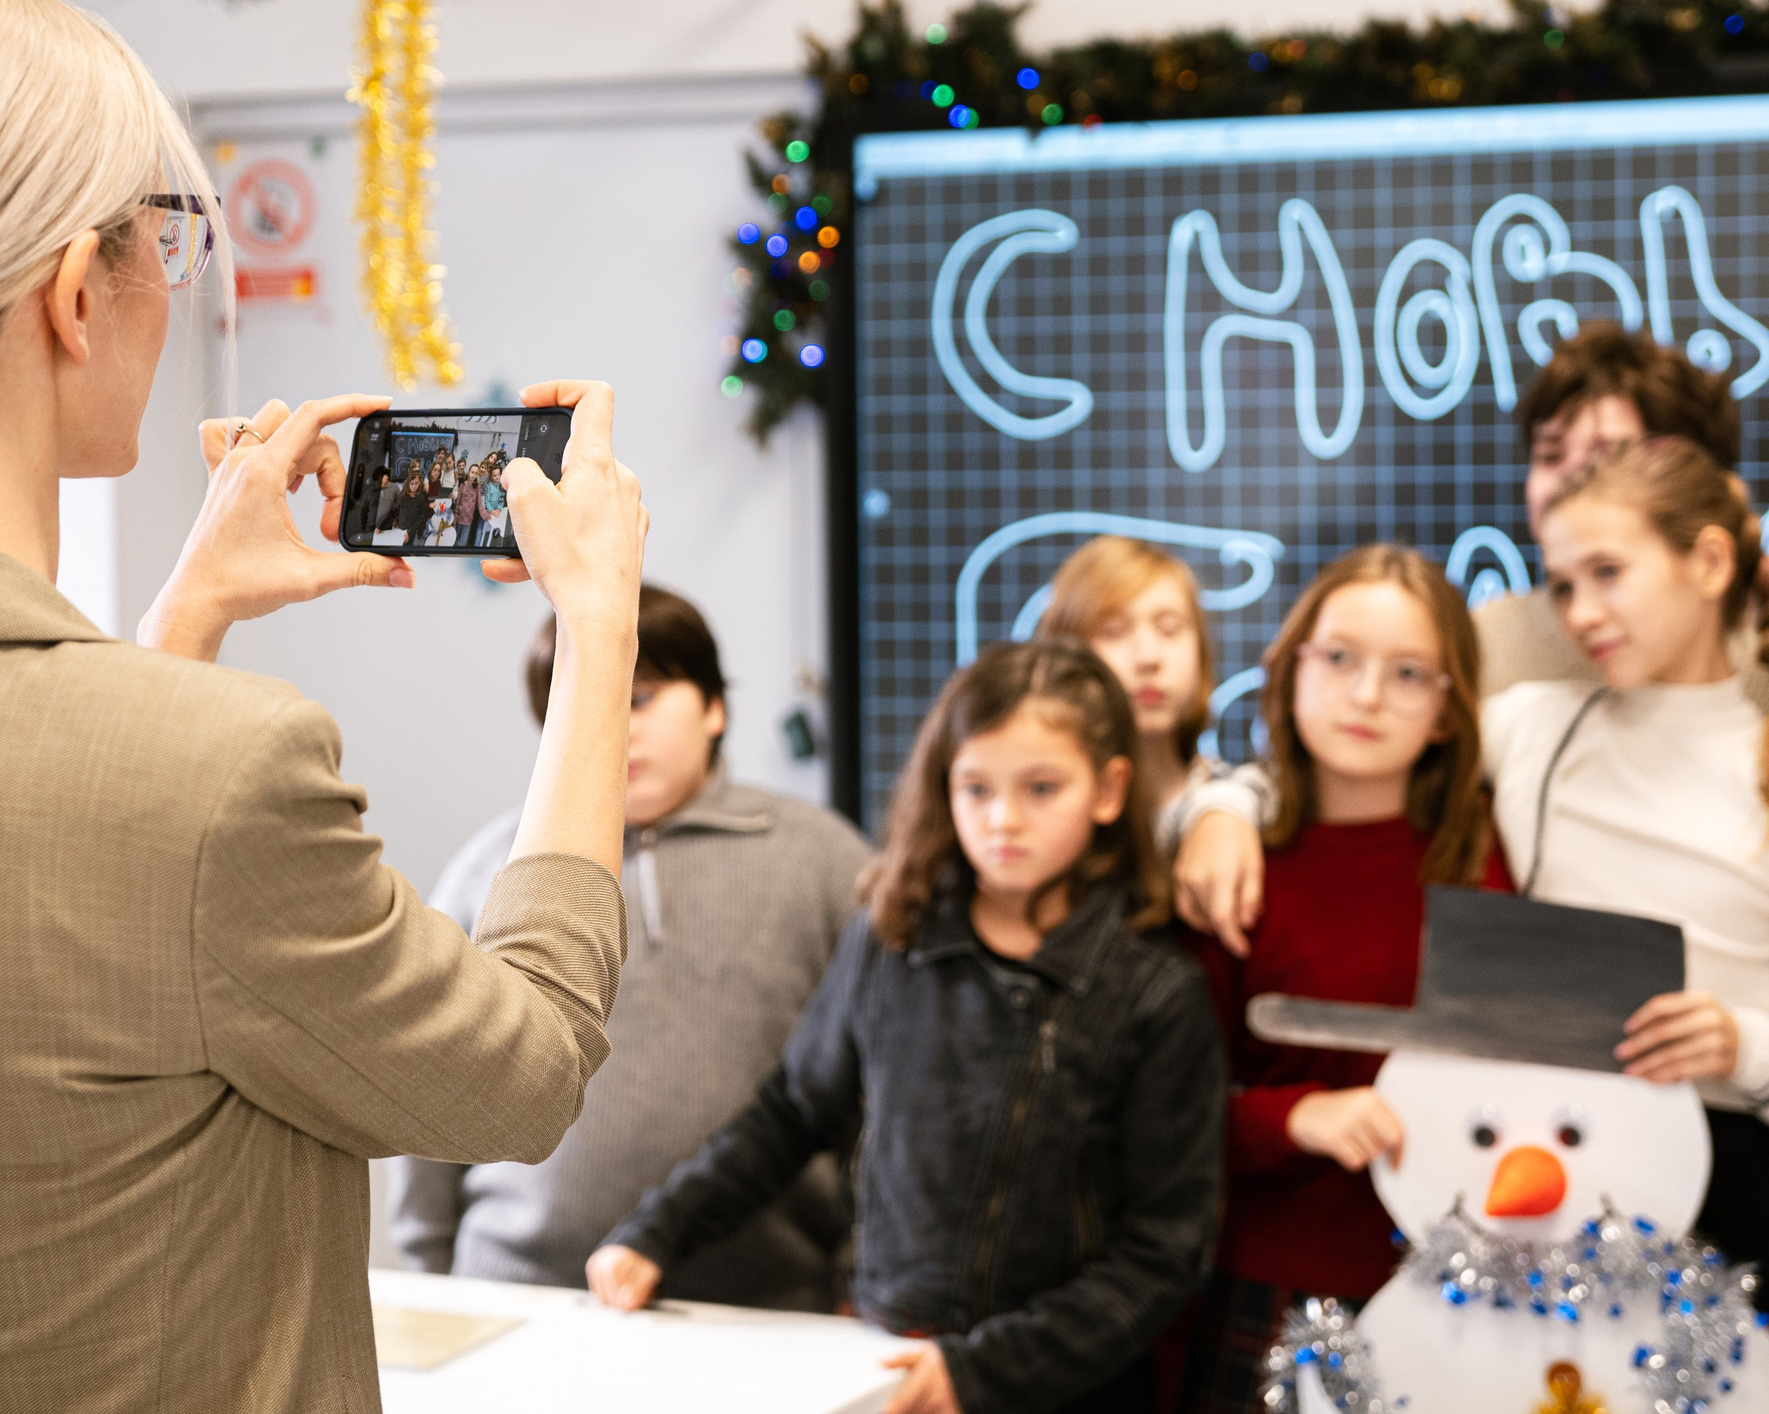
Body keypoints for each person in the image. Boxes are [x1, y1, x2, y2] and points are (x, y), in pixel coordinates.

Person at [0, 0, 646, 1413]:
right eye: (169, 238)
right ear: (75, 290)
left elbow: (28, 920)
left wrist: (179, 619)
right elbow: (525, 1068)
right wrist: (601, 619)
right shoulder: (213, 770)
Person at [586, 640, 1226, 1414]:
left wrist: (986, 1369)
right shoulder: (892, 936)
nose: (1003, 819)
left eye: (1042, 787)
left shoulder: (1157, 989)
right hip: (886, 1359)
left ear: (1109, 788)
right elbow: (791, 1111)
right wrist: (657, 1230)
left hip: (1067, 1389)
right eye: (976, 787)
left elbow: (1165, 1249)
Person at [1171, 323, 1769, 952]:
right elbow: (1348, 749)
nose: (1571, 477)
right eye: (1550, 453)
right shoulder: (1494, 640)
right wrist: (1225, 807)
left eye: (1605, 453)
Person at [1485, 437, 1769, 1411]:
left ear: (1708, 563)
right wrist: (1218, 811)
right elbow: (1348, 757)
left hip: (1738, 1231)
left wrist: (1747, 1044)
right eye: (1559, 585)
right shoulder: (1524, 729)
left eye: (1608, 572)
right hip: (1545, 1203)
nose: (1581, 611)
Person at [390, 586, 870, 1309]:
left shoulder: (828, 862)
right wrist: (429, 1280)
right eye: (580, 704)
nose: (614, 726)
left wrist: (862, 1272)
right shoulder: (491, 870)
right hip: (515, 1294)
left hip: (769, 1304)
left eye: (640, 698)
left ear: (714, 706)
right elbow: (429, 1076)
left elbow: (886, 1081)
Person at [1173, 546, 1506, 1414]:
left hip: (1457, 1285)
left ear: (1445, 709)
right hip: (1271, 1283)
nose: (1366, 695)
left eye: (1407, 673)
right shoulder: (1232, 868)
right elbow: (1168, 1112)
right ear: (1289, 672)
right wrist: (1296, 1116)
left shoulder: (1482, 863)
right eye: (1340, 659)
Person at [1034, 534, 1235, 852]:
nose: (1148, 657)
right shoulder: (1035, 822)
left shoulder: (1246, 808)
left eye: (1169, 628)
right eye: (1113, 632)